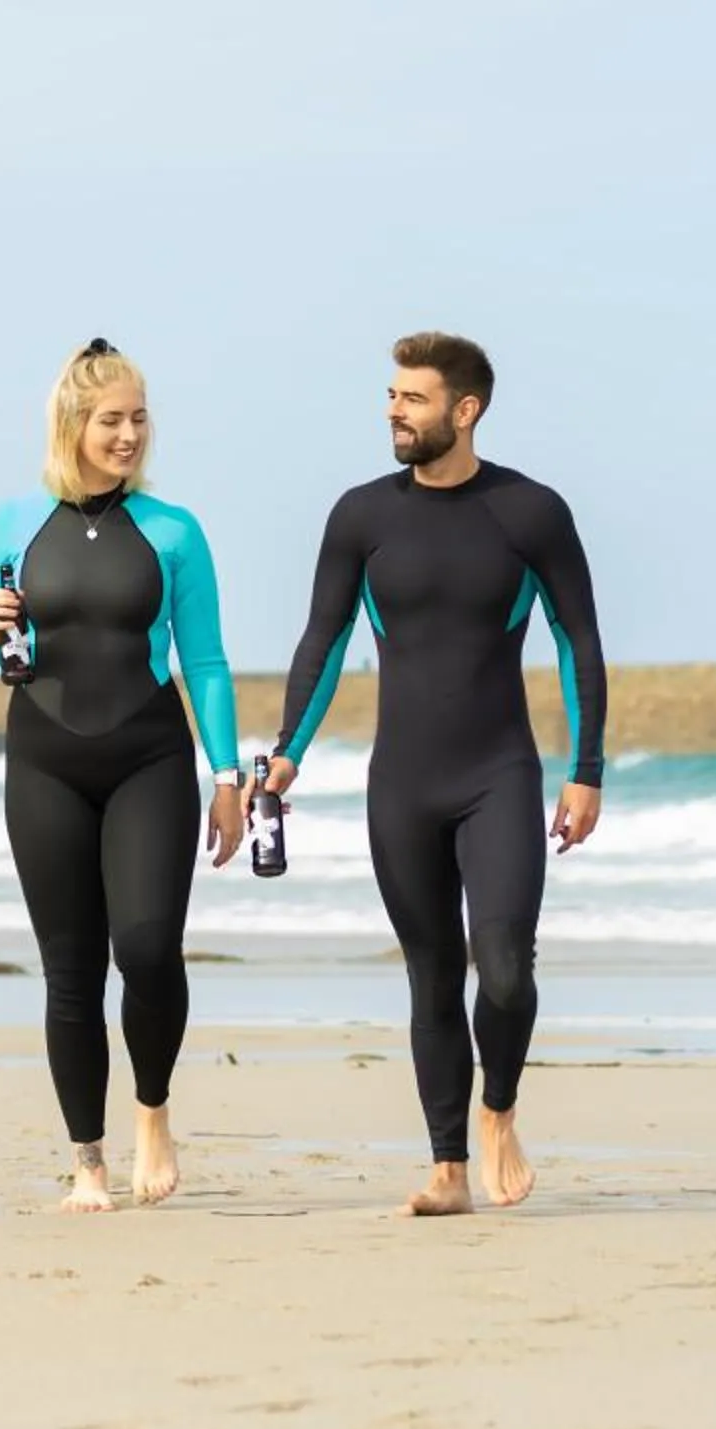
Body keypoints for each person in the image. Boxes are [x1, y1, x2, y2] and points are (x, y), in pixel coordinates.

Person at [264, 331, 606, 1216]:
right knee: (430, 974)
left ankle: (499, 1111)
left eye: (411, 399)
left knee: (503, 969)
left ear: (466, 410)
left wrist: (586, 769)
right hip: (402, 784)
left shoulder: (531, 513)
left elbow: (579, 642)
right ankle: (447, 1167)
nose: (392, 411)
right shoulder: (362, 516)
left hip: (499, 771)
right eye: (390, 396)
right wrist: (289, 748)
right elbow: (323, 639)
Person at [0, 338, 246, 1212]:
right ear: (73, 423)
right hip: (43, 759)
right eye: (112, 419)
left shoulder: (173, 530)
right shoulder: (10, 523)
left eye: (140, 418)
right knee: (71, 971)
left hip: (149, 755)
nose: (129, 435)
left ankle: (152, 1109)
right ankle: (88, 1161)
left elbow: (207, 662)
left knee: (149, 950)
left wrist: (227, 777)